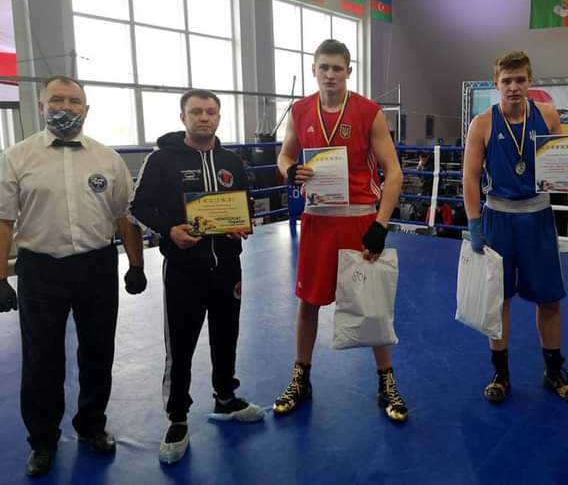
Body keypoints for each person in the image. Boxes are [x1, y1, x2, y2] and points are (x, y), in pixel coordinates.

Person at [0, 76, 147, 477]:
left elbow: (125, 216)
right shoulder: (16, 157)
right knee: (42, 358)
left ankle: (92, 425)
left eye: (74, 101)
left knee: (98, 352)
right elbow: (3, 221)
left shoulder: (107, 159)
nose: (65, 107)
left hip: (96, 265)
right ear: (41, 107)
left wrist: (136, 265)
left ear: (86, 109)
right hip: (41, 268)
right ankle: (43, 440)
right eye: (57, 100)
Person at [273, 39, 408, 422]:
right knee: (308, 301)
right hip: (317, 219)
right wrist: (288, 170)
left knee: (371, 303)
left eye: (337, 68)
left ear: (349, 70)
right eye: (324, 68)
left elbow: (394, 172)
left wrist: (381, 224)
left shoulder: (368, 111)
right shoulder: (300, 110)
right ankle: (301, 377)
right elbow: (285, 154)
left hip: (359, 219)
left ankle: (386, 380)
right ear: (314, 70)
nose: (330, 75)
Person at [129, 89, 264, 465]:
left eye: (210, 112)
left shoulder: (231, 161)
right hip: (184, 270)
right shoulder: (161, 160)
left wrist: (243, 223)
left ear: (219, 117)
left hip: (228, 267)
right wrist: (168, 230)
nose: (204, 118)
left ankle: (226, 397)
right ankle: (177, 418)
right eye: (196, 112)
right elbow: (138, 206)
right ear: (183, 117)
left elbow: (244, 203)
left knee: (227, 336)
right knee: (181, 347)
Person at [462, 51, 568, 406]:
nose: (513, 87)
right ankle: (500, 374)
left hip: (538, 216)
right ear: (496, 83)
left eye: (520, 80)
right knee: (498, 300)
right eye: (507, 81)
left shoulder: (547, 115)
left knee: (549, 299)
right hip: (498, 217)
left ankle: (554, 372)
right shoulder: (482, 123)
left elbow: (562, 164)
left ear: (530, 81)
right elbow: (470, 177)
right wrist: (474, 223)